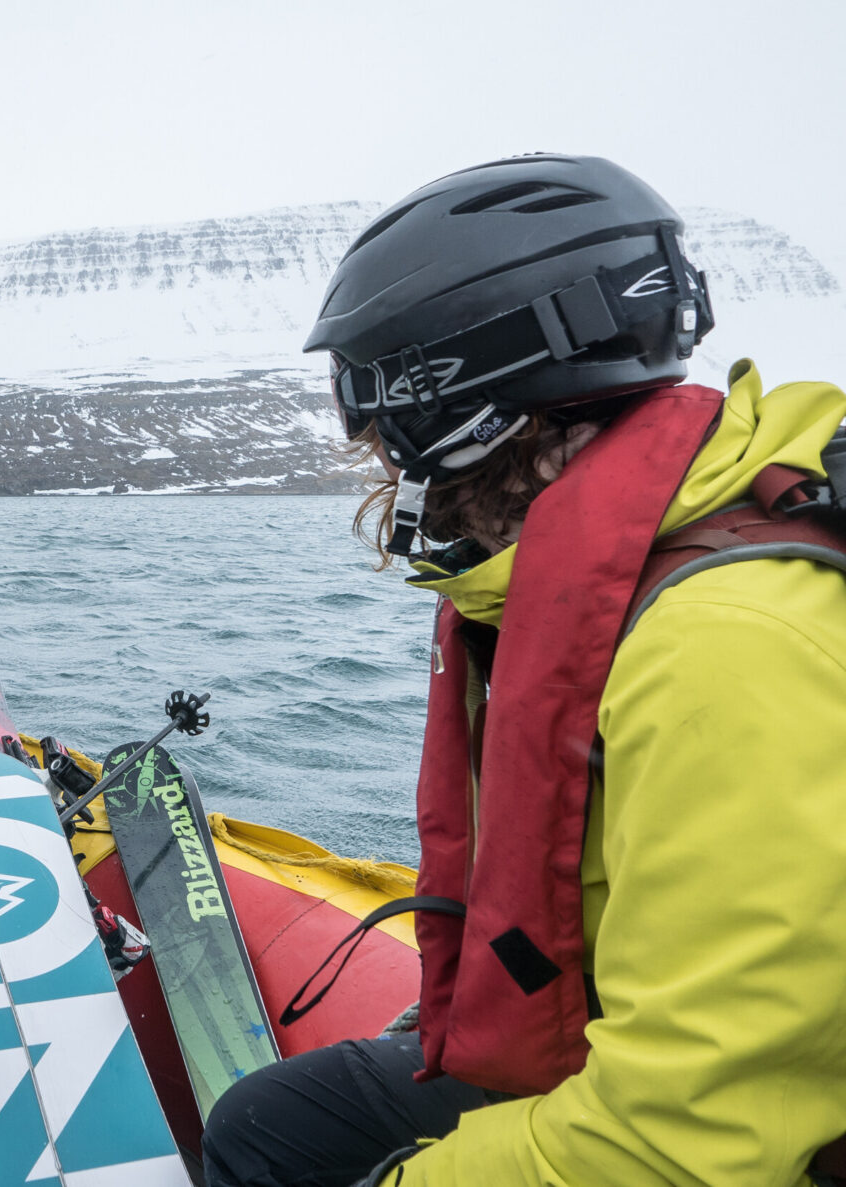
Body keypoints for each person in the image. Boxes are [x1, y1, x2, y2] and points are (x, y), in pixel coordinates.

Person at [202, 154, 846, 1185]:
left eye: (384, 425)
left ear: (469, 419)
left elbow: (692, 1139)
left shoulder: (721, 649)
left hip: (719, 1137)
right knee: (268, 1124)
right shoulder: (616, 574)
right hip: (614, 1056)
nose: (382, 469)